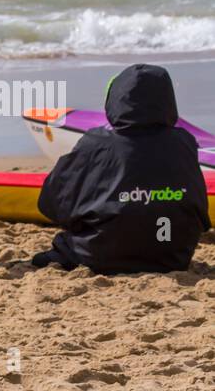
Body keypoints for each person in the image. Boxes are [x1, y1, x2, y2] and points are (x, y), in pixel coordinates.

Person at [34, 63, 209, 274]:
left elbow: (51, 202)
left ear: (115, 99)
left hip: (101, 255)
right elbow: (199, 207)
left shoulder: (95, 143)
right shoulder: (185, 143)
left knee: (50, 254)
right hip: (172, 256)